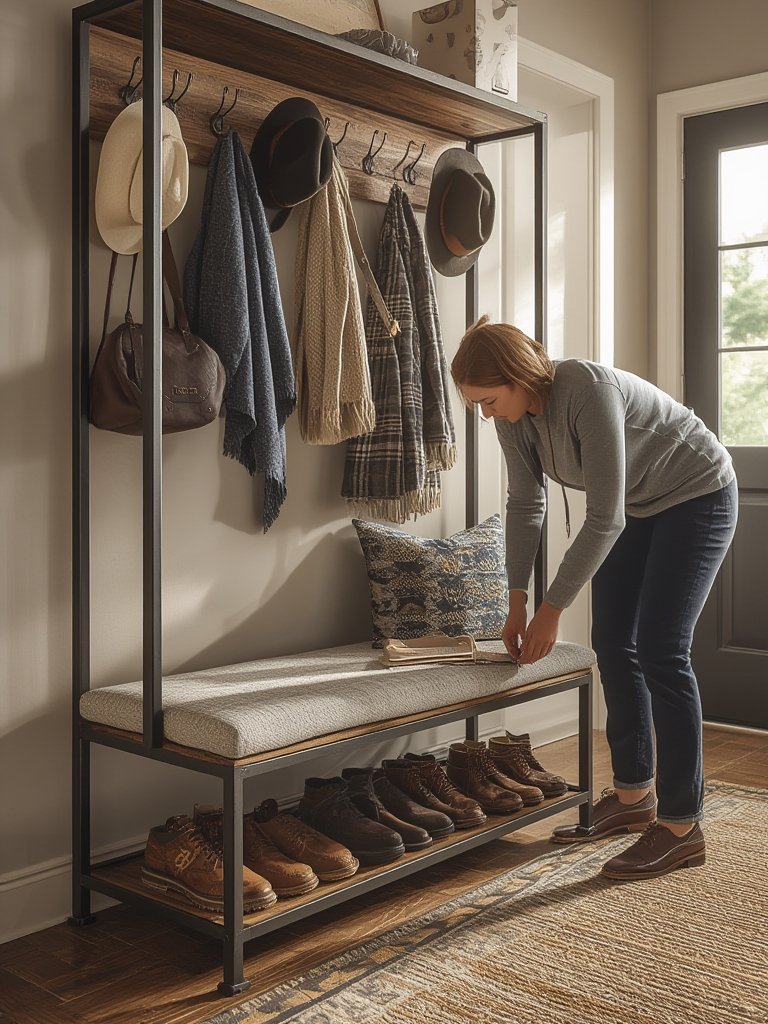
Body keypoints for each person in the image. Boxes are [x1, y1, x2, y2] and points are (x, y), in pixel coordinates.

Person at [451, 316, 738, 881]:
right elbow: (526, 504)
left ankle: (683, 826)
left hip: (696, 495)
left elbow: (603, 517)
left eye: (488, 400)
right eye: (475, 405)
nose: (485, 414)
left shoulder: (587, 391)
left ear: (517, 378)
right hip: (637, 507)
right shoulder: (513, 419)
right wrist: (515, 603)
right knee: (613, 640)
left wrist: (551, 610)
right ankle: (635, 796)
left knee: (662, 650)